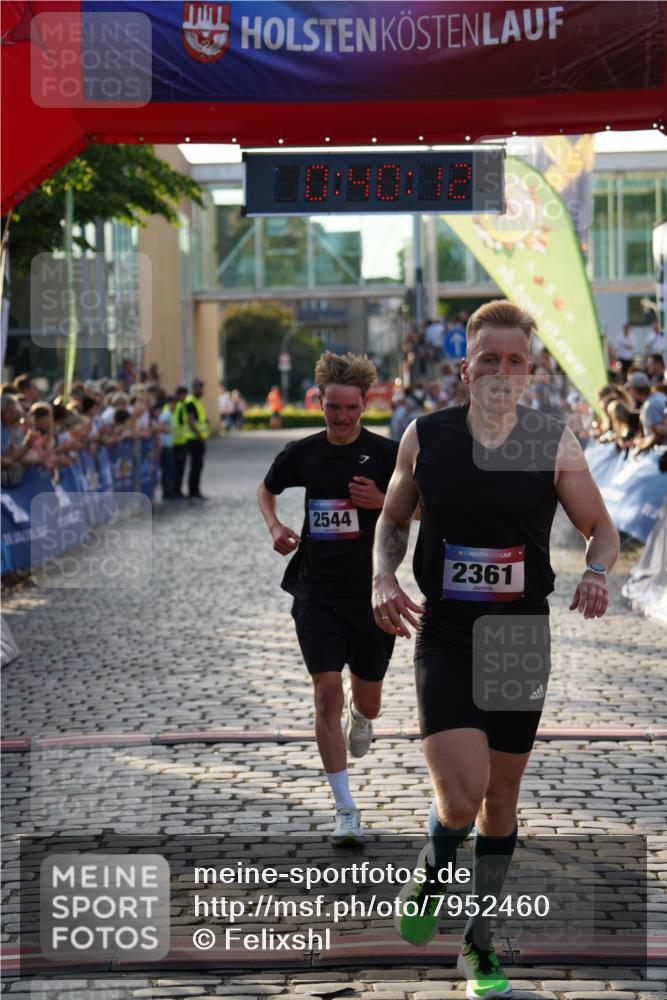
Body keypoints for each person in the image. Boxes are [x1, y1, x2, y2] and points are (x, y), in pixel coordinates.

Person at [372, 300, 619, 1000]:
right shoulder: (424, 437)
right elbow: (392, 520)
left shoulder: (552, 441)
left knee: (501, 802)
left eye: (515, 360)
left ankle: (478, 945)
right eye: (489, 359)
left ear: (530, 371)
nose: (501, 371)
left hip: (519, 635)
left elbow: (601, 529)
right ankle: (433, 868)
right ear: (465, 368)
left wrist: (597, 572)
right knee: (461, 796)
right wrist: (383, 576)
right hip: (448, 631)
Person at [257, 352, 399, 846]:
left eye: (351, 408)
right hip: (315, 589)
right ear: (319, 402)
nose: (341, 417)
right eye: (332, 407)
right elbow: (266, 490)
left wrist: (382, 501)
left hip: (370, 593)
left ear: (365, 405)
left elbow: (429, 507)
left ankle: (362, 718)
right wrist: (275, 526)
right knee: (325, 693)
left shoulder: (387, 454)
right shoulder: (303, 452)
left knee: (368, 700)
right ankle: (344, 808)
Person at [184, 378, 210, 499]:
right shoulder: (190, 402)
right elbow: (190, 421)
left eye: (202, 387)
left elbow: (198, 419)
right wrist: (199, 435)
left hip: (198, 439)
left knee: (198, 466)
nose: (201, 390)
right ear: (194, 388)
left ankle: (196, 491)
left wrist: (205, 421)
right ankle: (193, 492)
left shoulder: (197, 401)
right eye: (199, 388)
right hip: (194, 439)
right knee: (195, 466)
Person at [172, 386, 189, 499]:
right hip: (177, 443)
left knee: (181, 468)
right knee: (178, 469)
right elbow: (176, 424)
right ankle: (176, 491)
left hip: (181, 441)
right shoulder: (178, 407)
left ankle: (178, 490)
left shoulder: (181, 406)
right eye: (184, 395)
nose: (185, 397)